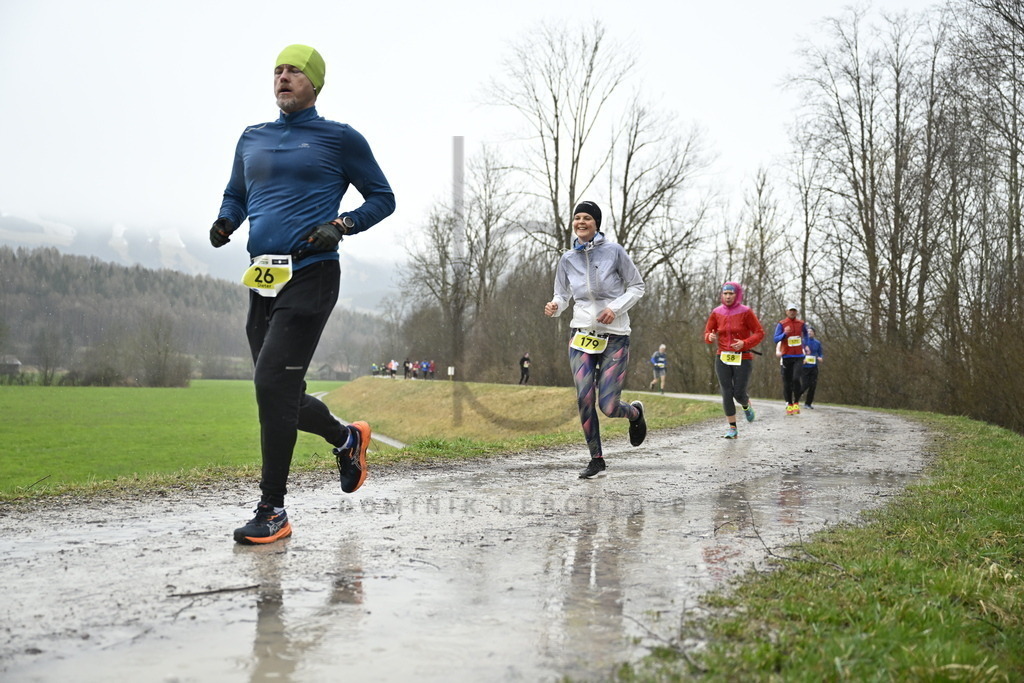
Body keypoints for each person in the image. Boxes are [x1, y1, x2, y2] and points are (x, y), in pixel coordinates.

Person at [209, 44, 395, 545]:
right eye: (277, 70)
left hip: (311, 274)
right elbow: (237, 193)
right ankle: (347, 438)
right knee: (278, 390)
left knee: (272, 383)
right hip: (261, 278)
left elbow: (383, 197)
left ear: (315, 83)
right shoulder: (252, 138)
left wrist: (342, 224)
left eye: (293, 71)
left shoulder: (339, 139)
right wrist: (228, 219)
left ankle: (273, 510)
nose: (283, 77)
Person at [544, 201, 647, 479]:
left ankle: (635, 414)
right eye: (577, 217)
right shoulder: (567, 259)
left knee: (609, 406)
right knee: (584, 397)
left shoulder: (614, 252)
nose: (581, 222)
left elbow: (637, 286)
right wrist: (555, 306)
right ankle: (596, 459)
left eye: (587, 218)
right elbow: (562, 294)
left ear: (596, 223)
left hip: (615, 336)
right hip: (581, 334)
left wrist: (615, 308)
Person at [703, 282, 764, 438]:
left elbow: (759, 333)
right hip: (722, 357)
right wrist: (709, 337)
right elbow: (708, 332)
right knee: (726, 392)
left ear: (737, 295)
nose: (728, 296)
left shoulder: (746, 312)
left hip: (743, 357)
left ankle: (745, 403)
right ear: (721, 295)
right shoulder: (716, 312)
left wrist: (745, 343)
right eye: (725, 294)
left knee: (738, 393)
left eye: (731, 293)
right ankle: (732, 427)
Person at [773, 304, 809, 415]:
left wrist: (805, 344)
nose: (792, 312)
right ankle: (789, 404)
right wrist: (784, 334)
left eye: (794, 311)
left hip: (798, 356)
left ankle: (796, 402)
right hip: (787, 356)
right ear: (786, 312)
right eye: (790, 311)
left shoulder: (801, 323)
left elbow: (806, 335)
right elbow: (775, 339)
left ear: (796, 312)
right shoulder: (782, 324)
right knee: (787, 382)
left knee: (796, 379)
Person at [796, 326, 823, 409]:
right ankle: (796, 399)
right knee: (805, 385)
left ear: (814, 333)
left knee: (813, 385)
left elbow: (820, 353)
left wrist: (820, 357)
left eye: (811, 331)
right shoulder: (802, 342)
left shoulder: (817, 343)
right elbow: (798, 352)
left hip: (814, 366)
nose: (809, 333)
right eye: (808, 331)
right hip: (805, 367)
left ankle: (808, 404)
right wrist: (802, 359)